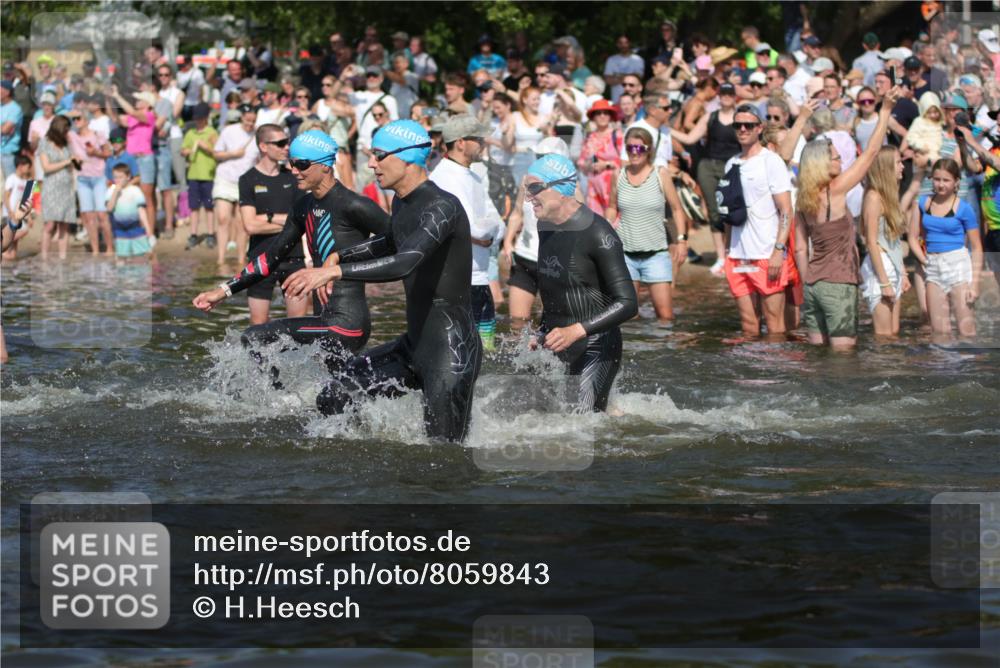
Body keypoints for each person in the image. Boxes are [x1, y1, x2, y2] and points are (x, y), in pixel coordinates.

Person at [281, 120, 481, 443]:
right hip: (414, 344)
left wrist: (335, 271)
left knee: (443, 457)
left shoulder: (443, 207)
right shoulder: (402, 201)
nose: (371, 163)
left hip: (451, 350)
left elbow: (406, 260)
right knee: (335, 395)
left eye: (379, 155)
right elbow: (391, 241)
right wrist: (342, 256)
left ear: (407, 158)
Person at [194, 130, 389, 382]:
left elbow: (399, 241)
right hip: (324, 318)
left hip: (347, 324)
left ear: (326, 166)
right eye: (292, 163)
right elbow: (271, 256)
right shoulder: (303, 206)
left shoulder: (354, 205)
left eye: (302, 164)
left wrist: (340, 260)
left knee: (256, 337)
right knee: (337, 396)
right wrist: (222, 291)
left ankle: (273, 405)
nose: (294, 170)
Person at [526, 153, 637, 411]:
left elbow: (629, 303)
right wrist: (542, 331)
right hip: (561, 341)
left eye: (534, 188)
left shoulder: (598, 233)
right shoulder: (546, 226)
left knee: (580, 430)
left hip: (596, 344)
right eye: (526, 189)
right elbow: (555, 290)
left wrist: (575, 330)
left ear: (561, 189)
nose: (529, 197)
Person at [793, 87, 899, 348]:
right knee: (842, 361)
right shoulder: (835, 191)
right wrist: (885, 110)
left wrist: (809, 282)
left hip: (812, 286)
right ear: (822, 164)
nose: (841, 161)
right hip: (838, 284)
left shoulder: (803, 199)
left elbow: (799, 249)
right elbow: (872, 152)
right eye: (836, 158)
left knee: (818, 357)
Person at [430, 115, 505, 351]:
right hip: (457, 283)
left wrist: (484, 233)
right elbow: (476, 227)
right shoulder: (443, 178)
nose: (483, 142)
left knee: (488, 354)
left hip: (480, 279)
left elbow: (495, 225)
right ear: (461, 142)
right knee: (461, 354)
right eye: (478, 138)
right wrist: (482, 231)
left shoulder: (473, 175)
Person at [723, 105, 795, 338]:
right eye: (738, 125)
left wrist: (778, 250)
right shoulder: (731, 163)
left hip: (766, 253)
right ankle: (750, 372)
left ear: (759, 128)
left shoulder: (770, 161)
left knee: (774, 325)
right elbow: (728, 211)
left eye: (749, 125)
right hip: (738, 255)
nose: (743, 129)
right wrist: (726, 251)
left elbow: (786, 210)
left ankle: (774, 372)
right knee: (748, 326)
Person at [605, 126, 688, 323]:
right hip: (625, 254)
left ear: (649, 150)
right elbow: (611, 206)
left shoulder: (660, 174)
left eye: (639, 148)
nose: (634, 153)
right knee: (629, 318)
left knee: (665, 317)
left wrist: (682, 241)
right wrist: (608, 226)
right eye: (630, 148)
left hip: (656, 254)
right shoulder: (619, 175)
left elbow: (677, 209)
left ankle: (662, 353)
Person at [236, 124, 308, 325]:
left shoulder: (293, 177)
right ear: (263, 146)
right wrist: (288, 223)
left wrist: (266, 218)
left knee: (298, 325)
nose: (287, 147)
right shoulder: (248, 180)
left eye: (288, 142)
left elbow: (302, 220)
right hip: (260, 259)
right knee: (258, 326)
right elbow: (250, 226)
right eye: (280, 143)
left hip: (293, 258)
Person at [672, 82, 742, 275]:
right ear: (718, 95)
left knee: (734, 211)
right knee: (714, 212)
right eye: (723, 93)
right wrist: (662, 128)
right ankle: (721, 257)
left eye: (730, 93)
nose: (726, 96)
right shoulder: (710, 117)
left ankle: (733, 254)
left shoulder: (741, 117)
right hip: (708, 166)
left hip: (734, 167)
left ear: (735, 95)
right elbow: (689, 139)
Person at [909, 158, 983, 338]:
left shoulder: (964, 209)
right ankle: (942, 365)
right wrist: (925, 260)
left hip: (957, 265)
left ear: (956, 182)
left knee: (966, 330)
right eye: (936, 179)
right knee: (940, 332)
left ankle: (968, 365)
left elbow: (977, 247)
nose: (940, 184)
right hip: (933, 266)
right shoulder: (923, 204)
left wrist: (974, 284)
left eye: (946, 180)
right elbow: (912, 238)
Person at [860, 146, 922, 336]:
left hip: (892, 265)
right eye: (898, 162)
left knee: (893, 333)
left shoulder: (890, 195)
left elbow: (893, 240)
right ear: (885, 167)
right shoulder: (874, 197)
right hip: (880, 269)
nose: (903, 166)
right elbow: (871, 242)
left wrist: (902, 272)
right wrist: (884, 282)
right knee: (884, 336)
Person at [213, 103, 258, 266]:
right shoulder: (229, 131)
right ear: (241, 117)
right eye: (247, 121)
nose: (250, 124)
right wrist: (233, 153)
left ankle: (240, 260)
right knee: (223, 218)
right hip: (225, 179)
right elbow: (216, 154)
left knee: (241, 222)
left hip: (245, 182)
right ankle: (220, 259)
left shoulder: (257, 135)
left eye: (253, 121)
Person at [110, 86, 159, 235]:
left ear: (148, 103)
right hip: (132, 159)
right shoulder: (133, 118)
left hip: (144, 159)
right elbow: (116, 118)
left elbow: (131, 112)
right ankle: (138, 228)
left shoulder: (149, 115)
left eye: (140, 99)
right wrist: (109, 99)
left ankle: (149, 232)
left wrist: (117, 96)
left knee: (146, 196)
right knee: (133, 195)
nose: (137, 101)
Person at [68, 110, 112, 256]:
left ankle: (109, 249)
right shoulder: (72, 136)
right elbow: (61, 120)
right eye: (74, 120)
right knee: (88, 216)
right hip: (82, 179)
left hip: (98, 178)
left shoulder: (97, 134)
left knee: (102, 214)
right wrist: (73, 112)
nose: (76, 121)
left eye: (78, 118)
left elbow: (108, 153)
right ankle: (95, 250)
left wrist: (96, 153)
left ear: (87, 120)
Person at [37, 115, 77, 260]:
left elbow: (71, 164)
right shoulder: (44, 143)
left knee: (64, 225)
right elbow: (46, 167)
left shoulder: (66, 143)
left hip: (66, 187)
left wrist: (74, 163)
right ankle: (44, 257)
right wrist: (66, 162)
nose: (68, 133)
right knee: (50, 224)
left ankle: (62, 258)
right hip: (51, 187)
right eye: (66, 130)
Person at [180, 102, 218, 249]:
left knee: (209, 206)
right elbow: (183, 150)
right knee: (194, 207)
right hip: (193, 175)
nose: (198, 121)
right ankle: (193, 234)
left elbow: (217, 152)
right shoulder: (190, 133)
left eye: (200, 118)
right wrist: (186, 151)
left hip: (208, 175)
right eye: (196, 119)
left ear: (206, 118)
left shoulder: (212, 132)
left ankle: (210, 233)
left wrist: (206, 147)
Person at [578, 99, 622, 215]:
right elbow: (581, 162)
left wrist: (606, 164)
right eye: (598, 113)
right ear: (593, 117)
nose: (602, 116)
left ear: (610, 116)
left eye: (605, 113)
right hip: (593, 186)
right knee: (597, 222)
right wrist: (588, 165)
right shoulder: (589, 137)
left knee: (614, 219)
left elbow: (626, 161)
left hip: (612, 184)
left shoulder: (617, 135)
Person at [106, 164, 152, 262]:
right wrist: (115, 193)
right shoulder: (111, 191)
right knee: (121, 257)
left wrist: (148, 228)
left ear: (128, 177)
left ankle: (141, 275)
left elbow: (141, 211)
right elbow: (109, 208)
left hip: (135, 227)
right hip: (119, 229)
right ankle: (123, 276)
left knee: (141, 255)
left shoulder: (135, 190)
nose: (117, 180)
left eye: (120, 177)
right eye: (115, 177)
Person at [484, 92, 517, 220]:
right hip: (494, 164)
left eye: (498, 107)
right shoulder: (494, 122)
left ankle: (508, 222)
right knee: (495, 195)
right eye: (494, 108)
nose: (496, 111)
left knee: (510, 196)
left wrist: (491, 141)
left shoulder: (514, 120)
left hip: (510, 165)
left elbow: (510, 147)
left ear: (507, 105)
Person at [512, 87, 547, 184]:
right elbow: (508, 143)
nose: (537, 102)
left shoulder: (544, 117)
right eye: (534, 99)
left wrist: (547, 131)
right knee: (521, 192)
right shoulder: (515, 116)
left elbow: (549, 143)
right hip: (519, 160)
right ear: (524, 100)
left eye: (538, 99)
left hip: (538, 161)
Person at [2, 155, 33, 260]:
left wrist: (29, 217)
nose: (29, 170)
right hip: (9, 213)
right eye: (28, 167)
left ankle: (11, 257)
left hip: (19, 215)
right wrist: (10, 211)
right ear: (20, 166)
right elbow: (6, 196)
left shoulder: (27, 182)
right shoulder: (12, 178)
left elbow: (26, 202)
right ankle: (4, 252)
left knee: (14, 252)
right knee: (23, 231)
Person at [0, 81, 22, 176]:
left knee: (11, 185)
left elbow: (5, 130)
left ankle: (32, 191)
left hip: (9, 153)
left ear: (7, 92)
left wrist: (4, 126)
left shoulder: (15, 109)